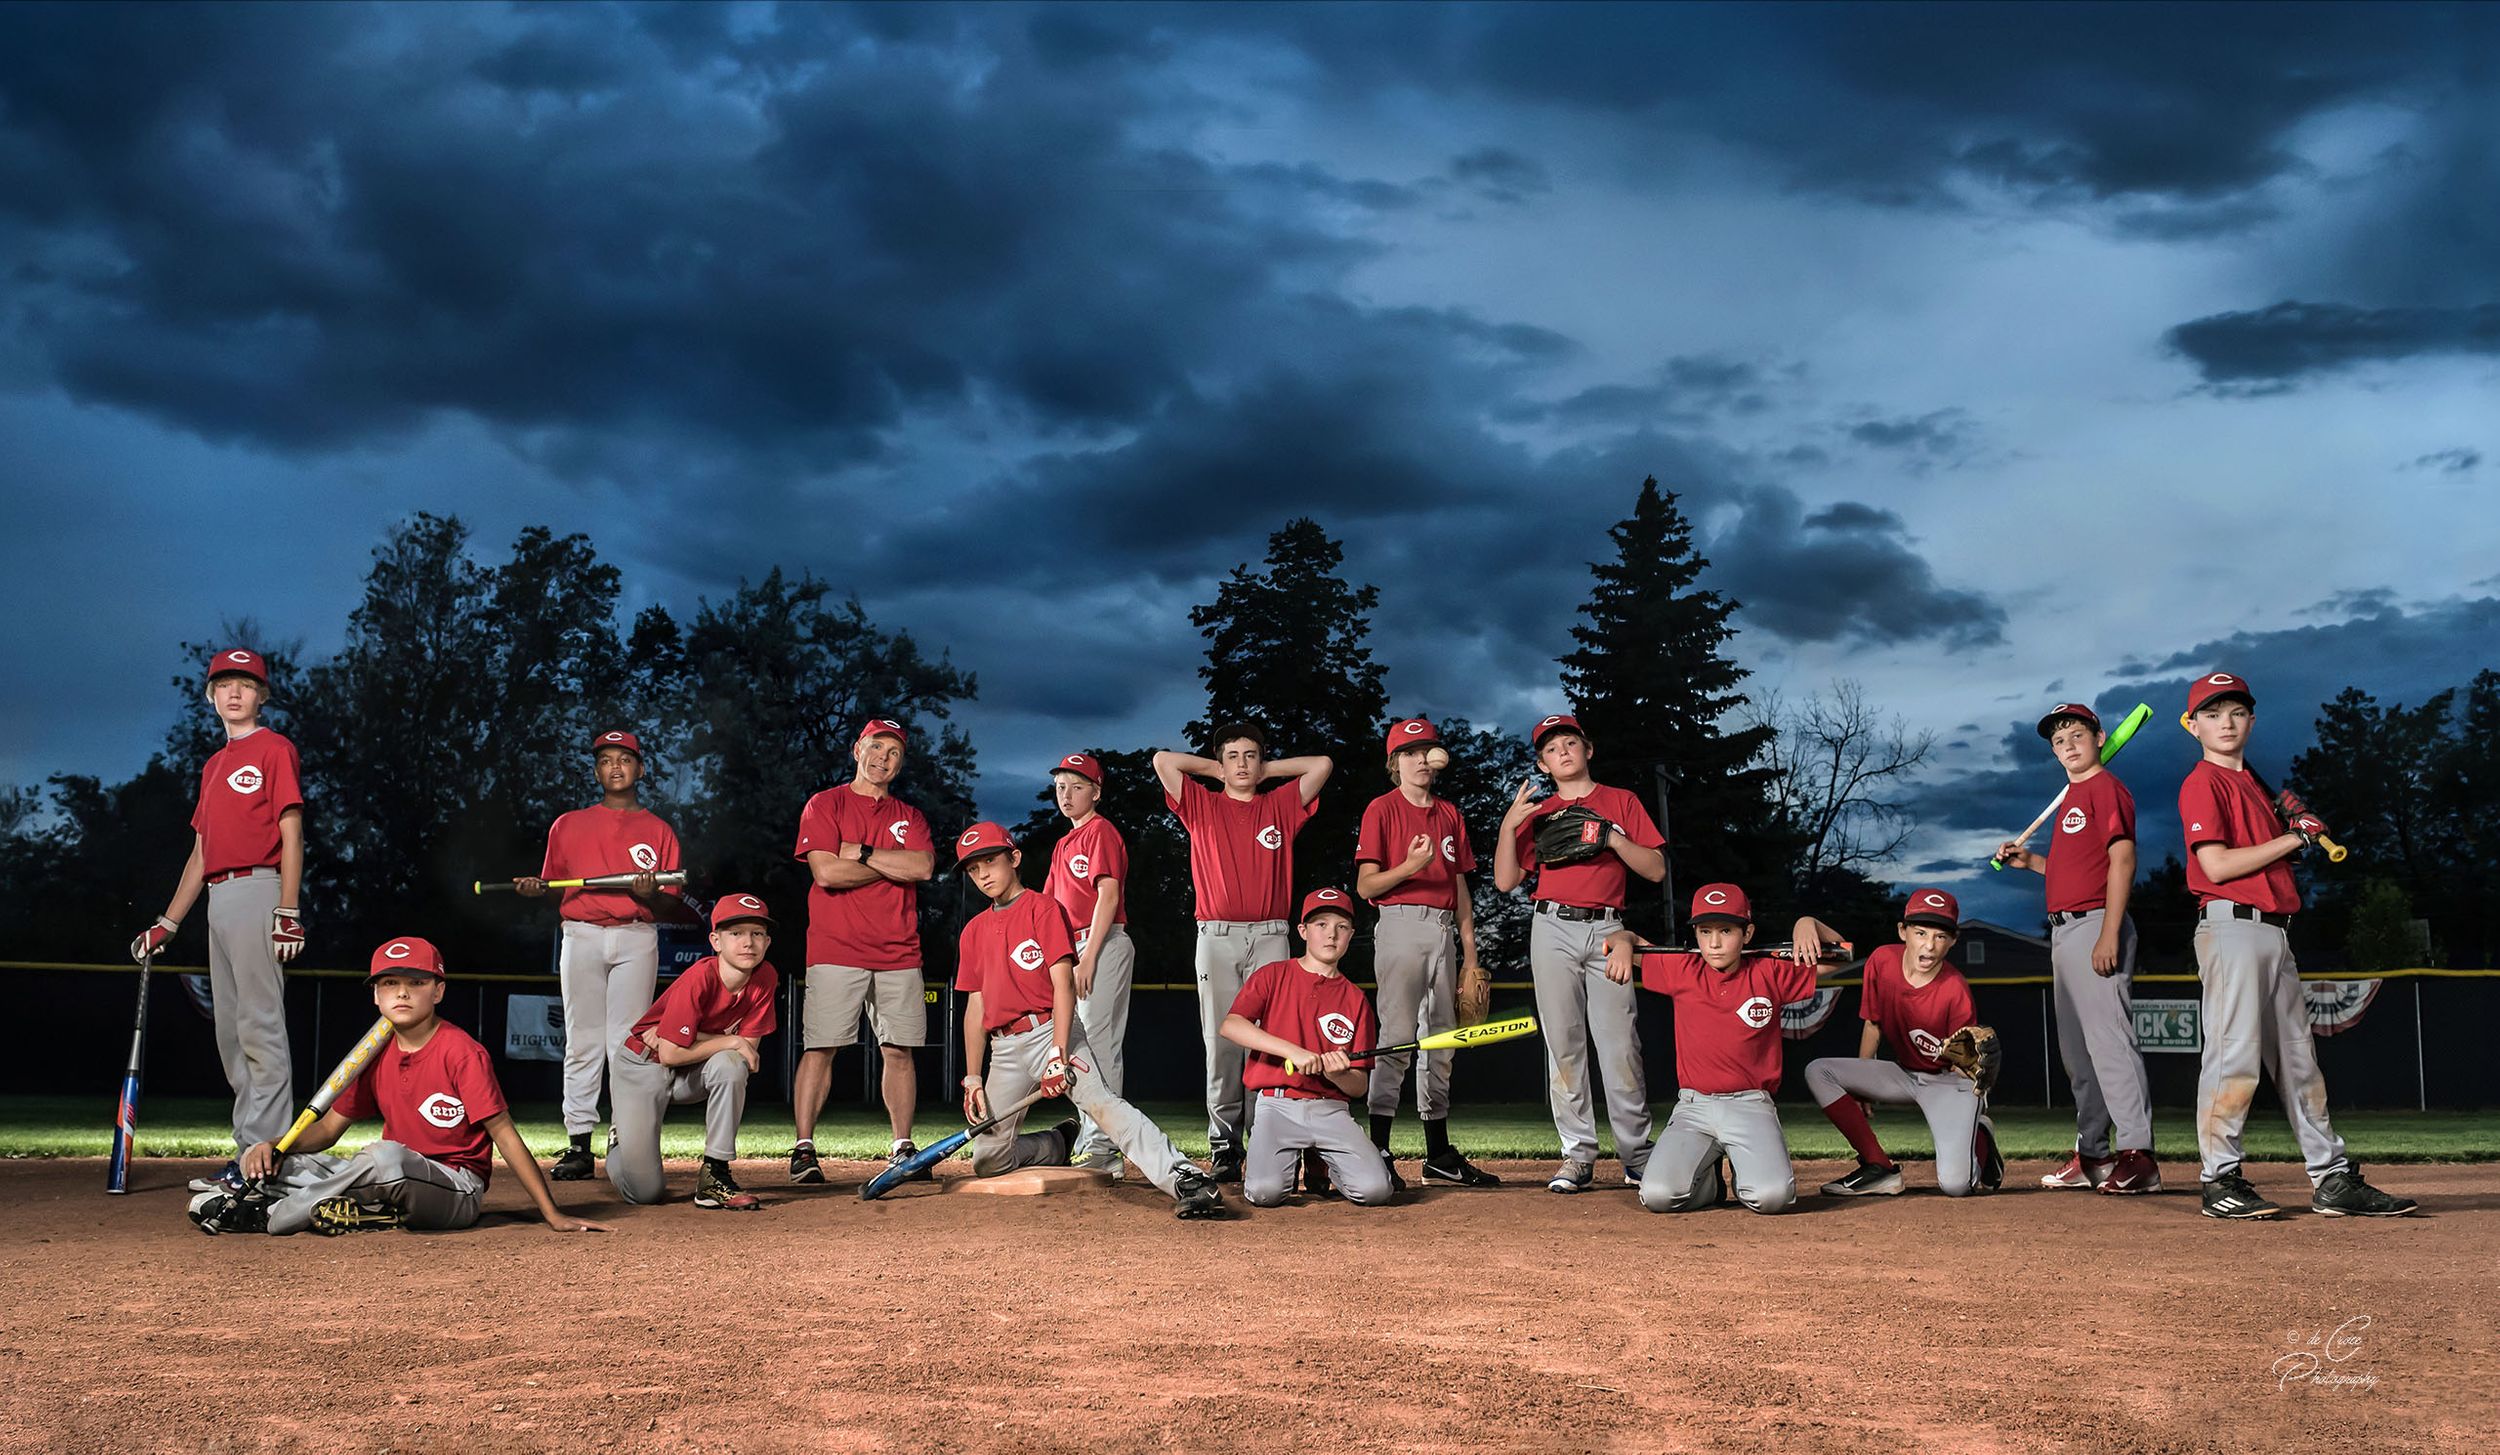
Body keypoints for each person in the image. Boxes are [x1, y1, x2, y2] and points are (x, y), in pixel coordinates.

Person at [2177, 672, 2415, 1220]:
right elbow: (2215, 865)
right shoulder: (2202, 782)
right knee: (2233, 1056)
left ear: (2252, 720)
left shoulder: (2256, 789)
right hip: (2231, 927)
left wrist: (2285, 821)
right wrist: (2295, 837)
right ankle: (2219, 1180)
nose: (2226, 722)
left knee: (2299, 1062)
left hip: (2275, 932)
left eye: (2236, 712)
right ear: (2194, 727)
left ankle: (2331, 1177)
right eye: (2212, 714)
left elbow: (2266, 849)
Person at [186, 937, 610, 1236]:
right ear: (376, 996)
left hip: (455, 1188)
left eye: (417, 982)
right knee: (278, 1159)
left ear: (438, 990)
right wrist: (275, 1146)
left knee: (384, 1157)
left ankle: (270, 1212)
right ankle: (270, 1188)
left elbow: (503, 1135)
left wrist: (551, 1212)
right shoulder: (372, 1054)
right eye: (389, 983)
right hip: (390, 1177)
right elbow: (328, 1131)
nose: (402, 991)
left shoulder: (462, 1052)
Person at [951, 822, 1227, 1219]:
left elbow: (1063, 987)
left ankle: (1185, 1178)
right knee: (987, 1159)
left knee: (1103, 1105)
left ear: (1014, 858)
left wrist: (1058, 1053)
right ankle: (1056, 1144)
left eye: (990, 862)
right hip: (1005, 1048)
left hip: (1052, 1031)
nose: (983, 875)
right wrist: (973, 1077)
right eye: (974, 870)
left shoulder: (1044, 908)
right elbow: (975, 1008)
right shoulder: (973, 932)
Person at [131, 648, 303, 1198]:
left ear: (262, 695)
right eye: (224, 683)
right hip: (218, 899)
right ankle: (245, 1156)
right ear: (210, 696)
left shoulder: (275, 749)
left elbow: (292, 833)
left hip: (259, 890)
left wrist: (289, 909)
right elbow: (201, 854)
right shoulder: (213, 765)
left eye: (246, 684)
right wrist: (168, 923)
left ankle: (268, 1158)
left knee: (260, 1028)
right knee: (230, 1035)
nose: (234, 692)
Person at [1492, 712, 1666, 1193]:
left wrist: (1610, 835)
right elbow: (1506, 882)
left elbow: (1654, 869)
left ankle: (1636, 1155)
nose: (1561, 751)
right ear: (1543, 764)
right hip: (1551, 927)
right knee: (1563, 1046)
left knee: (1620, 1046)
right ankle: (1577, 1155)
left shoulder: (1620, 801)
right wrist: (1510, 827)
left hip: (1608, 930)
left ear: (1588, 749)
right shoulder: (1540, 811)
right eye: (1551, 748)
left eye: (1569, 742)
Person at [1152, 724, 1333, 1183]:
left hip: (1271, 934)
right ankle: (1225, 1145)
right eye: (1233, 756)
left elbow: (1322, 765)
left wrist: (1266, 770)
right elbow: (1162, 761)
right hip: (1215, 934)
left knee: (1274, 1039)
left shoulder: (1279, 805)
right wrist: (1217, 770)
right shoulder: (1202, 804)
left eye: (1251, 756)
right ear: (1220, 763)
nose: (1242, 764)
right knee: (1222, 1042)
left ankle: (1269, 1137)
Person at [1602, 884, 1847, 1214]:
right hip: (1694, 1108)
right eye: (1705, 932)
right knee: (1657, 1195)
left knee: (1772, 1198)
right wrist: (1622, 944)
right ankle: (1711, 1184)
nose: (1714, 943)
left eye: (1726, 931)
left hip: (1750, 1105)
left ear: (1747, 934)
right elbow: (1625, 940)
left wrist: (1809, 924)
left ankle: (1745, 1173)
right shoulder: (1682, 969)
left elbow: (1843, 954)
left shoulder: (1770, 972)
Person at [1995, 702, 2157, 1194]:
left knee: (2109, 1042)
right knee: (2077, 1053)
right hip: (2063, 930)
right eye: (2058, 741)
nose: (2067, 745)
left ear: (2099, 737)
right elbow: (2074, 870)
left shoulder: (2106, 789)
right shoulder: (2074, 796)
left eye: (2076, 735)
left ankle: (2138, 1155)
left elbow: (2122, 861)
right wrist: (2031, 864)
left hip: (2094, 925)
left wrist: (2110, 931)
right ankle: (2094, 1155)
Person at [511, 728, 684, 1182]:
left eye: (624, 759)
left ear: (640, 769)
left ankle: (625, 1136)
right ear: (596, 771)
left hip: (636, 934)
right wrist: (535, 891)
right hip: (582, 933)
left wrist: (649, 895)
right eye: (606, 759)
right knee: (583, 1040)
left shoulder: (658, 830)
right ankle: (578, 1143)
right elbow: (554, 891)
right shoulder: (567, 824)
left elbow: (670, 904)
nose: (615, 767)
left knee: (625, 1043)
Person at [790, 718, 935, 1186]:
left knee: (899, 1051)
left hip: (899, 951)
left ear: (901, 762)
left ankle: (903, 1148)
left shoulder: (910, 816)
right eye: (876, 747)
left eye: (893, 753)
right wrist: (894, 866)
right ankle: (804, 1148)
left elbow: (924, 867)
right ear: (857, 749)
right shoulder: (825, 803)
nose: (883, 759)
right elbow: (827, 874)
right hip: (836, 947)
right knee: (822, 1047)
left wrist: (865, 853)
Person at [1354, 716, 1497, 1188]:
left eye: (1426, 751)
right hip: (1399, 925)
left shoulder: (1450, 813)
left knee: (1443, 1041)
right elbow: (1366, 885)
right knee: (1396, 1040)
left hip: (1442, 933)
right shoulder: (1382, 809)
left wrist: (1471, 955)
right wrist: (1410, 865)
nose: (1421, 759)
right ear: (1394, 763)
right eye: (1410, 752)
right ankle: (1379, 1148)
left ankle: (1437, 1153)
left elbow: (1460, 890)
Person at [1806, 889, 2003, 1198]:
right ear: (1903, 931)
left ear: (1952, 941)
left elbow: (1963, 1061)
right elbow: (1873, 1024)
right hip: (1904, 1074)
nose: (1929, 944)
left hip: (1947, 1082)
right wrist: (1861, 1086)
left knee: (1956, 1186)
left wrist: (1973, 1073)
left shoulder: (1955, 989)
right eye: (1920, 932)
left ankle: (1980, 1138)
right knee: (1819, 1071)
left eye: (1940, 936)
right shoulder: (1881, 961)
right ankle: (1878, 1167)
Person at [1220, 888, 1398, 1208]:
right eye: (1321, 924)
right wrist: (1292, 1051)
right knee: (1265, 1193)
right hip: (1278, 1105)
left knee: (1376, 1191)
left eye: (1341, 927)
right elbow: (1231, 1025)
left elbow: (1358, 1087)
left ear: (1351, 935)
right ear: (1303, 931)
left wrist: (1338, 1074)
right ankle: (1289, 1157)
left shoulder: (1355, 999)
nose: (1331, 934)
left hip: (1330, 1109)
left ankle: (1323, 1159)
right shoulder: (1273, 975)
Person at [606, 894, 781, 1212]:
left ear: (767, 942)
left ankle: (715, 1175)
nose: (748, 942)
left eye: (757, 933)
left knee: (732, 1065)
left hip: (689, 1067)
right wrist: (731, 1040)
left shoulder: (765, 977)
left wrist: (719, 1041)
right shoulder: (700, 977)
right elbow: (671, 1054)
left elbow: (748, 1054)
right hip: (643, 1065)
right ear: (716, 941)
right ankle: (620, 1143)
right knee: (646, 1192)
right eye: (736, 933)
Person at [1043, 752, 1134, 1174]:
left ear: (1096, 792)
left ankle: (1104, 1149)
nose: (1067, 793)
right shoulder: (1064, 843)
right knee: (1080, 1047)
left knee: (1098, 1047)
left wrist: (1088, 957)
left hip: (1101, 944)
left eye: (1077, 786)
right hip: (1073, 949)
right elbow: (1047, 909)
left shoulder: (1101, 832)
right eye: (1061, 786)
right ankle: (1094, 1141)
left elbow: (1108, 896)